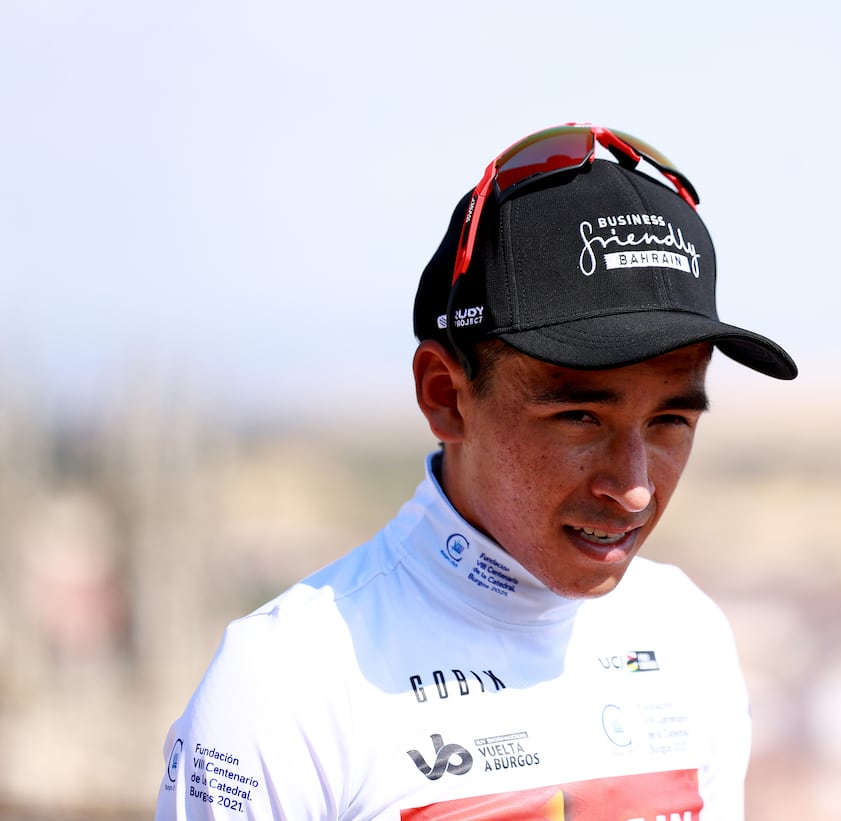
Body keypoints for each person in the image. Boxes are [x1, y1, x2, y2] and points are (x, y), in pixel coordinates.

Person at [153, 123, 797, 820]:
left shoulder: (685, 635)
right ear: (444, 395)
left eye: (671, 420)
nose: (634, 485)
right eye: (580, 415)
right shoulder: (286, 683)